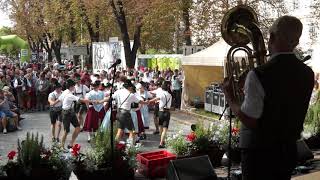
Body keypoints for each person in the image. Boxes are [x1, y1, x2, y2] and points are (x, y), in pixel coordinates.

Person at [222, 16, 314, 180]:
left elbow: (250, 120)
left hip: (259, 155)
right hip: (288, 151)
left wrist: (230, 97)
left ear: (272, 37)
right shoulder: (307, 73)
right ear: (296, 42)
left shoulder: (258, 75)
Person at [59, 79, 91, 149]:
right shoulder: (69, 95)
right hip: (66, 113)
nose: (74, 87)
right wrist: (94, 101)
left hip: (71, 112)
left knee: (78, 128)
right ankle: (61, 147)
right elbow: (81, 100)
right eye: (73, 86)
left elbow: (60, 99)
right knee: (66, 131)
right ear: (70, 87)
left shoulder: (65, 92)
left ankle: (71, 144)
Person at [149, 81, 172, 148]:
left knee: (161, 126)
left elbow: (156, 99)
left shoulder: (161, 94)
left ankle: (162, 140)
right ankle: (161, 143)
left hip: (161, 112)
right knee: (165, 128)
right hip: (167, 112)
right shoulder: (170, 95)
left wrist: (148, 101)